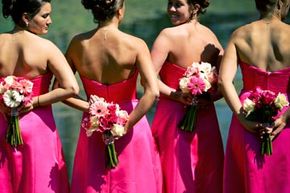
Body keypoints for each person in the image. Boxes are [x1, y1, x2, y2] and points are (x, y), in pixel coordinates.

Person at [62, 0, 162, 192]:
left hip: (93, 126)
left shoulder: (77, 44)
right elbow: (152, 92)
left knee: (93, 182)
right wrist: (126, 124)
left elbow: (62, 90)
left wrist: (94, 111)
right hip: (131, 123)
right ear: (120, 10)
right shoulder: (136, 45)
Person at [0, 0, 79, 192]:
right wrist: (35, 101)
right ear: (26, 17)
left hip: (2, 124)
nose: (50, 21)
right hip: (37, 127)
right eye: (44, 16)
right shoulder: (46, 47)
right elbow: (71, 88)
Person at [150, 0, 224, 192]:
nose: (171, 9)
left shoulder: (167, 35)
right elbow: (224, 84)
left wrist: (176, 96)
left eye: (178, 4)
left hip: (173, 116)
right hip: (205, 115)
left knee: (175, 171)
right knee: (205, 174)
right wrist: (208, 97)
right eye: (169, 3)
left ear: (195, 7)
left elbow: (148, 80)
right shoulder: (212, 37)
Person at [218, 0, 290, 192]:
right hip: (284, 113)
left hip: (247, 110)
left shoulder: (239, 35)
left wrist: (242, 117)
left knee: (248, 179)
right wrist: (284, 117)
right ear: (282, 3)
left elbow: (224, 81)